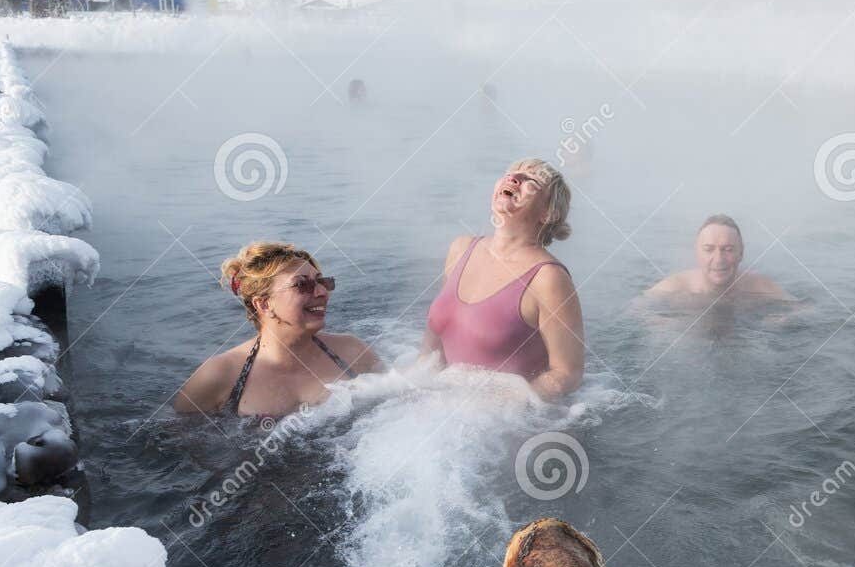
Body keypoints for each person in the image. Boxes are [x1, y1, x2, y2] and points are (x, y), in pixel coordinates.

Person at [421, 158, 584, 400]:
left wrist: (497, 406)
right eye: (510, 174)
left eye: (531, 180)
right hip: (440, 406)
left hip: (503, 426)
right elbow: (432, 350)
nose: (513, 178)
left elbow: (568, 374)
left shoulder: (548, 278)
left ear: (548, 213)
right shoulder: (461, 249)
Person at [174, 242, 382, 418]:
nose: (321, 292)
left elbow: (400, 398)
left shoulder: (352, 351)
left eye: (321, 281)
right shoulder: (218, 375)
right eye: (302, 285)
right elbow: (175, 444)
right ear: (264, 304)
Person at [641, 215, 793, 304]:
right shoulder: (672, 289)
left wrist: (783, 319)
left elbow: (804, 310)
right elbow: (635, 312)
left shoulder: (759, 288)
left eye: (728, 249)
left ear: (741, 253)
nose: (719, 259)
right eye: (708, 249)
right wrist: (658, 324)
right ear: (697, 253)